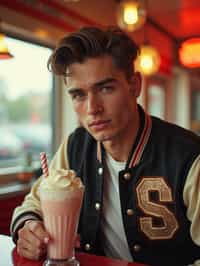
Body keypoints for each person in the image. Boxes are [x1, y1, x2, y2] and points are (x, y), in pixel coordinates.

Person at [11, 26, 200, 266]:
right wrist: (28, 227)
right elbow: (32, 204)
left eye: (105, 88)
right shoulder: (74, 147)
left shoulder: (189, 156)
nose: (92, 108)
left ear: (134, 85)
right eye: (78, 95)